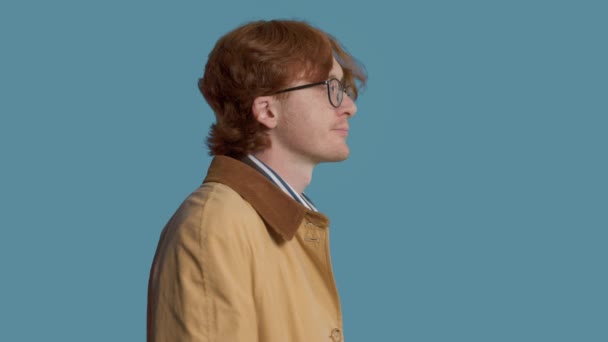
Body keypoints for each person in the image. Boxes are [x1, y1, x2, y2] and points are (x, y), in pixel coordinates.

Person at [147, 19, 367, 342]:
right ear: (267, 111)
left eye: (344, 90)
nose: (349, 107)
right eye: (330, 89)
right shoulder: (214, 229)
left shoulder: (282, 228)